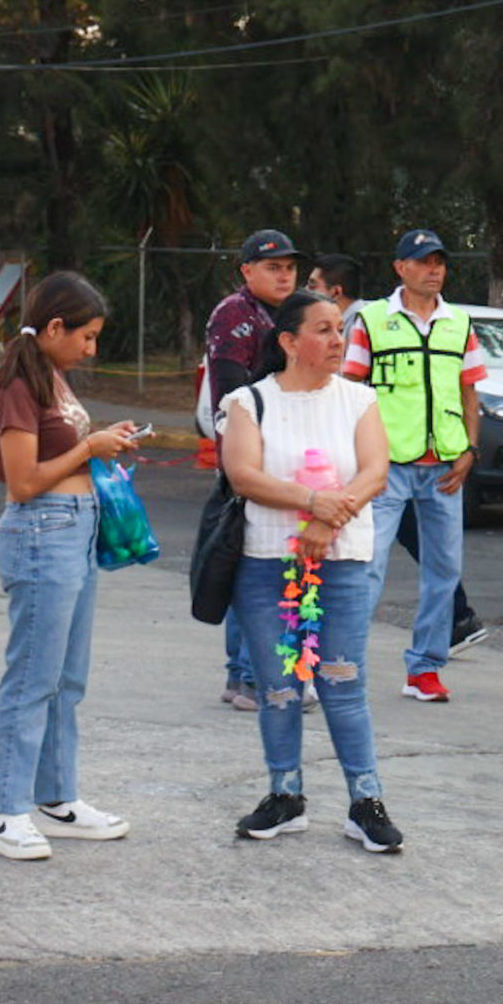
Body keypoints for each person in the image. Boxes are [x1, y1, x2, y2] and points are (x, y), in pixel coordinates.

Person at [219, 289, 403, 852]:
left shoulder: (358, 399)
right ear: (288, 342)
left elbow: (375, 471)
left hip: (341, 563)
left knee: (342, 680)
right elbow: (244, 475)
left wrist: (329, 517)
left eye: (339, 329)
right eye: (322, 330)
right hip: (266, 563)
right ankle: (285, 794)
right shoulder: (250, 402)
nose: (336, 340)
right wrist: (311, 501)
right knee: (278, 686)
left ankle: (365, 801)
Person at [0, 272, 141, 861]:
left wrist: (100, 442)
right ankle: (4, 809)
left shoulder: (50, 378)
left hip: (73, 527)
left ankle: (55, 797)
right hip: (42, 530)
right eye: (86, 336)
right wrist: (88, 447)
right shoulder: (15, 384)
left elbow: (59, 454)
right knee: (31, 680)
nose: (91, 349)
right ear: (53, 328)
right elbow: (23, 482)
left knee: (66, 679)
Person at [346, 229, 488, 702]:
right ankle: (343, 664)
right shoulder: (371, 321)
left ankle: (424, 669)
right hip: (388, 466)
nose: (435, 270)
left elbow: (470, 391)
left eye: (440, 262)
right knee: (368, 565)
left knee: (445, 570)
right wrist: (364, 459)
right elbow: (350, 393)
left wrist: (470, 449)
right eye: (424, 261)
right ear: (400, 267)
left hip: (445, 467)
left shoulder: (459, 324)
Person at [202, 228, 301, 711]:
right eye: (272, 267)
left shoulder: (289, 312)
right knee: (253, 565)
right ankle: (248, 677)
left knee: (268, 565)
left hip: (284, 458)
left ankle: (252, 673)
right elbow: (230, 394)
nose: (283, 275)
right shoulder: (234, 315)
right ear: (247, 271)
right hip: (248, 460)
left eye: (289, 267)